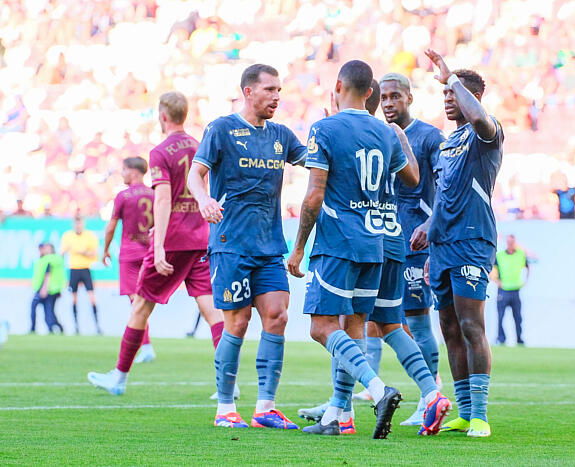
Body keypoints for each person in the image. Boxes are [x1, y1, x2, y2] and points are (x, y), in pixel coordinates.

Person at [287, 60, 415, 439]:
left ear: (339, 85)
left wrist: (298, 249)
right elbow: (406, 177)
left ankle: (377, 390)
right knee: (355, 325)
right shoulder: (386, 132)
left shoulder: (325, 128)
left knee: (321, 327)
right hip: (375, 243)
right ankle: (340, 416)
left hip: (337, 242)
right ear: (372, 93)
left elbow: (314, 194)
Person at [189, 64, 306, 430]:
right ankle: (225, 408)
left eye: (279, 90)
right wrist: (204, 200)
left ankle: (265, 408)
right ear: (248, 91)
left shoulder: (282, 135)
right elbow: (195, 173)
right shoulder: (222, 128)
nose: (276, 97)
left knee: (278, 316)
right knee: (237, 322)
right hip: (230, 243)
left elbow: (317, 164)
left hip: (270, 244)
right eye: (269, 89)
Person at [87, 91, 224, 396]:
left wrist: (159, 245)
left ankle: (119, 377)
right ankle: (228, 383)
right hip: (201, 237)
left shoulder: (161, 151)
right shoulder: (200, 146)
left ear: (163, 115)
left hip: (173, 240)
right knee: (212, 310)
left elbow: (162, 199)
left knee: (140, 307)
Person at [418, 49, 504, 437]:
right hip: (443, 246)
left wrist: (451, 77)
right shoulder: (449, 143)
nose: (447, 99)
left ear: (471, 97)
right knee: (450, 327)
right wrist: (429, 230)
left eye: (453, 94)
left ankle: (482, 415)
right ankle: (466, 411)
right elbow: (445, 195)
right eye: (445, 95)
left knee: (472, 325)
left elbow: (479, 117)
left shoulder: (487, 133)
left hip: (473, 241)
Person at [379, 72, 446, 426]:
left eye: (394, 96)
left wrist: (428, 224)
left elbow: (446, 187)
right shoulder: (378, 134)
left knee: (418, 322)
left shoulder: (430, 137)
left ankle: (430, 395)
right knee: (383, 320)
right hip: (386, 240)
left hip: (417, 242)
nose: (388, 103)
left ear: (409, 98)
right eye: (384, 97)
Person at [103, 157, 157, 363]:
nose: (122, 174)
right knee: (141, 301)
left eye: (124, 170)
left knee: (136, 302)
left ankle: (146, 346)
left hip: (130, 254)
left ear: (134, 172)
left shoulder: (123, 196)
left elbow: (111, 226)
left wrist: (106, 250)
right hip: (150, 252)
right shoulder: (155, 194)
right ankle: (145, 345)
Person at [61, 217, 100, 334]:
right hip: (74, 269)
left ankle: (97, 326)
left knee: (92, 297)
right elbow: (62, 252)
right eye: (76, 224)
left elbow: (94, 253)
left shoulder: (89, 236)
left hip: (86, 268)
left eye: (80, 224)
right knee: (74, 298)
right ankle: (76, 327)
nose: (78, 226)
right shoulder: (68, 236)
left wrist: (82, 252)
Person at [493, 234, 529, 345]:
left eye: (512, 242)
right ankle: (501, 338)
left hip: (515, 290)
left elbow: (527, 268)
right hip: (503, 290)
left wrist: (525, 281)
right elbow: (493, 269)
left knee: (518, 317)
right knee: (500, 316)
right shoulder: (499, 256)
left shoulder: (521, 255)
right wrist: (496, 281)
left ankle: (519, 339)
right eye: (508, 242)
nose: (510, 244)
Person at [30, 243, 65, 334]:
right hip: (44, 288)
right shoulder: (42, 260)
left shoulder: (50, 259)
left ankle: (52, 328)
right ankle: (55, 328)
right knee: (48, 311)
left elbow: (48, 274)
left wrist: (44, 288)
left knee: (48, 312)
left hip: (48, 289)